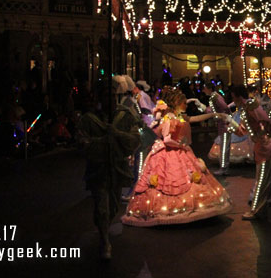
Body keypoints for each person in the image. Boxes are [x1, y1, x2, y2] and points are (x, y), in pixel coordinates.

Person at [121, 87, 232, 227]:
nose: (186, 105)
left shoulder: (178, 116)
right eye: (183, 102)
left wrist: (215, 115)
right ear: (175, 103)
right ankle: (171, 209)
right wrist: (180, 145)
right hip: (169, 152)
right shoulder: (169, 118)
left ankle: (183, 207)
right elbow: (167, 140)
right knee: (170, 181)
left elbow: (194, 118)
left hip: (179, 150)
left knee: (187, 178)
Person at [76, 82, 141, 260]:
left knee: (113, 207)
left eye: (112, 96)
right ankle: (105, 241)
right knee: (102, 206)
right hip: (99, 169)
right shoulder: (89, 119)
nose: (110, 99)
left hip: (117, 168)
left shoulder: (125, 116)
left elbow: (135, 139)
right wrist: (102, 142)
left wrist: (117, 134)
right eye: (106, 95)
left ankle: (104, 227)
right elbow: (81, 143)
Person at [230, 85, 271, 220]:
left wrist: (263, 134)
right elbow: (243, 130)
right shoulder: (246, 109)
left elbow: (266, 121)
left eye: (233, 97)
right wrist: (231, 125)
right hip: (261, 146)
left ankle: (256, 211)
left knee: (262, 180)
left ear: (237, 96)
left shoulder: (251, 105)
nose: (233, 100)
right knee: (263, 179)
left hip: (265, 146)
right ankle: (261, 209)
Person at [201, 83, 232, 175]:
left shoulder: (215, 97)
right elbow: (212, 110)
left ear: (208, 88)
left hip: (224, 125)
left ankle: (224, 168)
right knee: (224, 147)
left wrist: (224, 117)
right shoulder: (213, 97)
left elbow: (225, 107)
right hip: (222, 124)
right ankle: (223, 167)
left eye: (204, 88)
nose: (203, 91)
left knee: (224, 148)